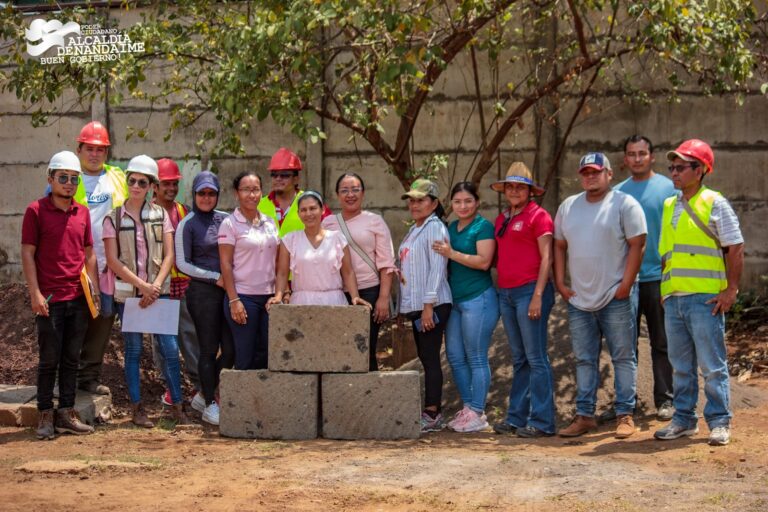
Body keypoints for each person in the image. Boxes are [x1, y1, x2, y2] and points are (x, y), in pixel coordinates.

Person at [654, 139, 744, 446]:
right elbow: (666, 253)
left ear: (701, 170)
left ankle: (719, 422)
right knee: (680, 367)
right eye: (672, 167)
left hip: (705, 299)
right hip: (675, 299)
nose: (674, 173)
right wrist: (666, 293)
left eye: (681, 167)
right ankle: (684, 420)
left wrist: (730, 289)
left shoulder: (715, 202)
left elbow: (735, 247)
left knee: (712, 365)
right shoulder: (669, 205)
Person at [554, 152, 647, 439]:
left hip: (615, 296)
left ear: (609, 174)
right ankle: (585, 416)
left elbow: (638, 244)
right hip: (579, 299)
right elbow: (558, 245)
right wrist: (560, 282)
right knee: (584, 358)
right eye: (585, 172)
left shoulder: (624, 204)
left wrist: (626, 284)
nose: (590, 177)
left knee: (622, 356)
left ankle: (625, 415)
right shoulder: (568, 207)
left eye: (596, 172)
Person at [102, 155, 188, 427]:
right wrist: (143, 287)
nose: (136, 185)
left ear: (152, 185)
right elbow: (113, 261)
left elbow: (169, 255)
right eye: (132, 180)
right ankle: (137, 409)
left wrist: (154, 287)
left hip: (158, 294)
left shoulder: (162, 215)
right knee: (134, 350)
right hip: (130, 296)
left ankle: (177, 407)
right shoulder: (113, 218)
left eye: (142, 181)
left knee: (170, 349)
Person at [22, 151, 97, 439]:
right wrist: (35, 293)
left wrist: (91, 288)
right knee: (48, 359)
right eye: (63, 177)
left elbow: (89, 252)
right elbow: (27, 254)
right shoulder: (36, 211)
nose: (68, 183)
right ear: (50, 179)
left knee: (71, 359)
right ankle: (44, 414)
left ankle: (66, 413)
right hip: (49, 300)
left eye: (74, 178)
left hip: (77, 299)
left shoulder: (83, 213)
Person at [610, 135, 676, 423]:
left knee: (662, 342)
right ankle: (628, 404)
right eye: (631, 154)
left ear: (652, 157)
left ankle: (666, 401)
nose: (637, 159)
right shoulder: (616, 193)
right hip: (626, 280)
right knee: (626, 345)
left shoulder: (668, 188)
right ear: (624, 159)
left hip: (658, 278)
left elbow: (674, 235)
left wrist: (670, 277)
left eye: (642, 153)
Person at [489, 163, 557, 438]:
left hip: (530, 291)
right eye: (510, 186)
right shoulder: (501, 218)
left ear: (530, 191)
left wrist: (538, 296)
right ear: (504, 190)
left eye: (520, 186)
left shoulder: (539, 216)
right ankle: (516, 418)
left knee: (536, 358)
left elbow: (547, 258)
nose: (515, 190)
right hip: (505, 293)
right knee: (520, 359)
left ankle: (542, 422)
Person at [430, 182, 497, 433]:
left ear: (477, 202)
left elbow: (484, 262)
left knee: (476, 356)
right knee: (455, 356)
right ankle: (468, 409)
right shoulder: (450, 227)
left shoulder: (483, 227)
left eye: (468, 201)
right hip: (455, 301)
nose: (463, 206)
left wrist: (451, 253)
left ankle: (478, 412)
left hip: (479, 298)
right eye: (457, 202)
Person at [73, 121, 127, 396]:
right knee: (74, 320)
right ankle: (66, 378)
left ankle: (88, 378)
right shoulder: (69, 176)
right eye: (89, 149)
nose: (94, 154)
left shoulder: (117, 177)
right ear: (79, 149)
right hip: (75, 265)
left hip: (110, 264)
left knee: (103, 319)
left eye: (100, 150)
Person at [175, 171, 233, 425]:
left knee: (232, 349)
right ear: (194, 194)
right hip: (202, 293)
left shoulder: (227, 220)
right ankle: (210, 404)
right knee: (208, 349)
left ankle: (202, 393)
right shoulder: (187, 223)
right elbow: (182, 263)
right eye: (202, 193)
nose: (207, 198)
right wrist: (212, 277)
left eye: (211, 193)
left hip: (227, 290)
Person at [322, 173, 396, 371]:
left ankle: (369, 394)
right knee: (341, 348)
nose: (350, 195)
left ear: (363, 193)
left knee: (366, 347)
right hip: (338, 293)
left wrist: (383, 297)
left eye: (355, 189)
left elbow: (386, 262)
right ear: (337, 195)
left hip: (370, 291)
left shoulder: (375, 221)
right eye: (344, 190)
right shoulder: (328, 223)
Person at [398, 179, 452, 433]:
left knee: (430, 358)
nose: (414, 204)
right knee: (425, 357)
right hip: (419, 305)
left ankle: (433, 412)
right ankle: (430, 410)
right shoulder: (416, 228)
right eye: (412, 200)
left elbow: (437, 269)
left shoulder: (434, 228)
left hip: (433, 303)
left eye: (420, 200)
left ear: (434, 203)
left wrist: (428, 306)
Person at [152, 158, 202, 410]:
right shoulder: (147, 212)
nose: (171, 188)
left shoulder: (184, 212)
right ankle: (169, 386)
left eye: (174, 184)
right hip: (158, 286)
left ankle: (198, 386)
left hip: (183, 286)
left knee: (189, 337)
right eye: (166, 184)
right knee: (161, 341)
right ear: (155, 186)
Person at [219, 171, 280, 370]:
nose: (251, 195)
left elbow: (279, 261)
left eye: (255, 190)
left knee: (267, 354)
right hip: (243, 297)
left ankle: (262, 400)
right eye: (246, 190)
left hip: (270, 297)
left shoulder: (270, 222)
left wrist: (282, 292)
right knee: (245, 355)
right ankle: (241, 400)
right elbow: (225, 264)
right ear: (237, 193)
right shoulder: (229, 224)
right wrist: (234, 300)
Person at [268, 191, 371, 308]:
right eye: (303, 210)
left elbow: (348, 272)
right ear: (298, 214)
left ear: (322, 210)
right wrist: (278, 296)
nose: (308, 213)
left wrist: (355, 297)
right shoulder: (289, 240)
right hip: (301, 302)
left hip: (334, 302)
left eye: (313, 208)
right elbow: (282, 273)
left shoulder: (337, 238)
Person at [258, 147, 331, 237]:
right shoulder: (258, 206)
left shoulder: (312, 204)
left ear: (296, 179)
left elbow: (330, 237)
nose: (278, 179)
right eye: (274, 175)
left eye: (284, 175)